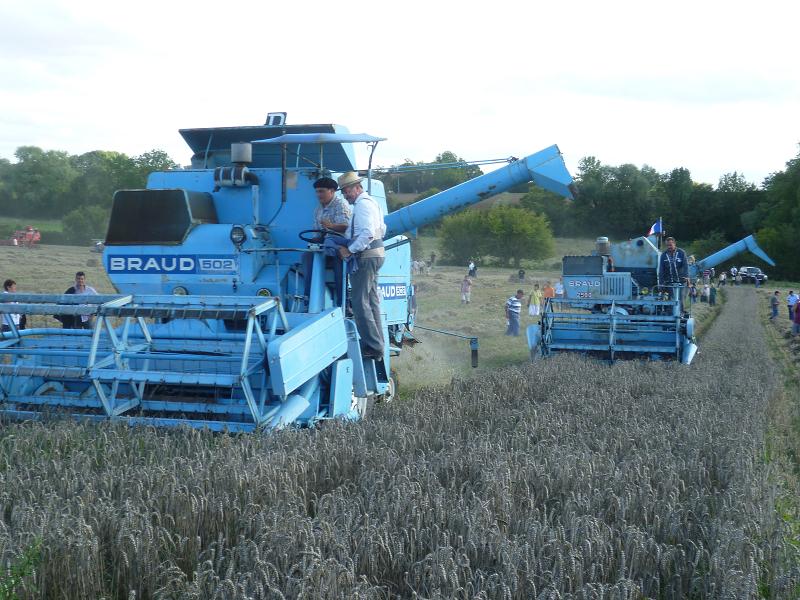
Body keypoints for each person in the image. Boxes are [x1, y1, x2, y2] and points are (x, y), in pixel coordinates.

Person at [336, 172, 386, 360]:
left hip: (366, 256)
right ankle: (378, 343)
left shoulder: (363, 205)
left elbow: (367, 233)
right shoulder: (372, 203)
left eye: (346, 191)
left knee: (359, 302)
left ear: (357, 188)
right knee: (371, 301)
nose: (345, 195)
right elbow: (382, 229)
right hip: (376, 254)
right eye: (343, 191)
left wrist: (350, 250)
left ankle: (373, 346)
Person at [302, 177, 352, 307]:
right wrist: (313, 240)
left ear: (332, 191)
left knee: (338, 259)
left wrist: (330, 226)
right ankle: (308, 297)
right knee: (307, 256)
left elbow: (345, 227)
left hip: (340, 243)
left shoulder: (341, 205)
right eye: (317, 192)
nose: (318, 195)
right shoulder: (318, 210)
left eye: (321, 191)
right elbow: (317, 232)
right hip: (324, 243)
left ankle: (343, 302)